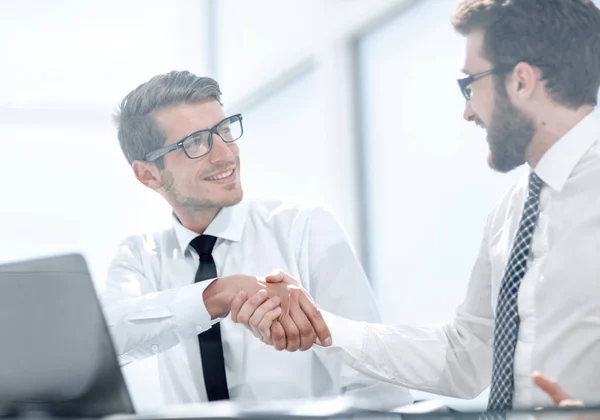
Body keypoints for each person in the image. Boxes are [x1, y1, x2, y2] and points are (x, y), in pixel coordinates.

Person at [231, 0, 600, 411]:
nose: (467, 111)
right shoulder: (512, 210)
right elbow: (466, 356)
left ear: (521, 81)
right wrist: (318, 322)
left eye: (470, 84)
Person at [100, 70, 412, 408]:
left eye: (223, 130)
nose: (225, 155)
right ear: (148, 174)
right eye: (194, 143)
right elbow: (112, 337)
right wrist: (219, 294)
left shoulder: (303, 228)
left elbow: (377, 384)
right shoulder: (140, 254)